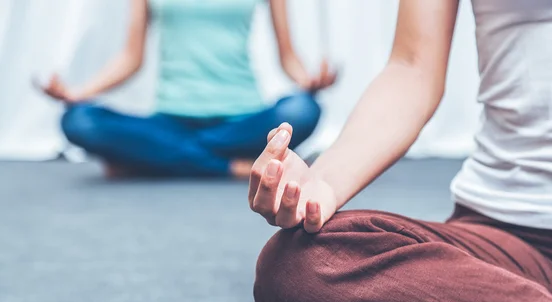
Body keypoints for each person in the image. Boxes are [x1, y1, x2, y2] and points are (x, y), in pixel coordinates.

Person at [248, 0, 552, 302]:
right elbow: (413, 68)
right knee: (296, 272)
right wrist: (320, 185)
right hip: (506, 238)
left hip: (511, 291)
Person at [42, 0, 335, 178]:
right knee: (78, 120)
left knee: (303, 109)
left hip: (244, 122)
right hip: (170, 122)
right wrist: (79, 93)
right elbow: (130, 58)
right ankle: (228, 167)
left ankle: (151, 160)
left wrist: (307, 80)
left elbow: (288, 56)